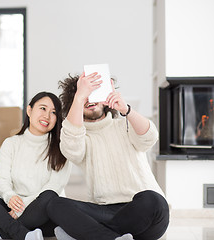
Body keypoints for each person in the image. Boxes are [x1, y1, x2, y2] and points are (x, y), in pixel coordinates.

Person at [46, 73, 169, 240]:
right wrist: (79, 97)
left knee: (154, 199)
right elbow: (72, 149)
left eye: (93, 94)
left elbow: (150, 137)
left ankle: (86, 234)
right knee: (55, 204)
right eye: (83, 96)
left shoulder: (124, 124)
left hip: (143, 211)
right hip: (105, 211)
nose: (89, 99)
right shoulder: (78, 136)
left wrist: (126, 109)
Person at [0, 91, 72, 240]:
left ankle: (1, 233)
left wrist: (23, 205)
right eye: (43, 108)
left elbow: (54, 186)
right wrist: (10, 197)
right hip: (13, 208)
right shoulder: (11, 144)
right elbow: (1, 179)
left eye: (54, 112)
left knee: (49, 196)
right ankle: (24, 235)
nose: (47, 116)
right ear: (29, 110)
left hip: (43, 213)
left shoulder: (61, 148)